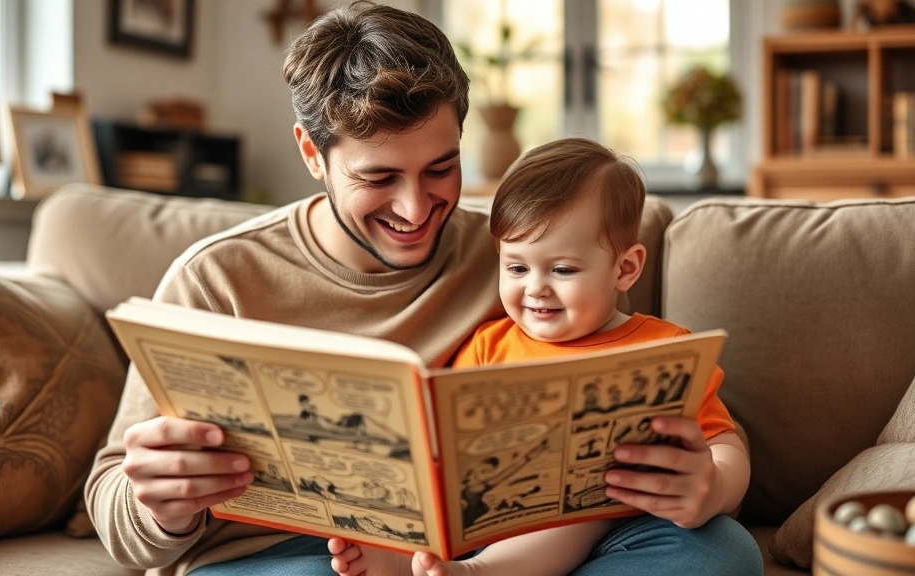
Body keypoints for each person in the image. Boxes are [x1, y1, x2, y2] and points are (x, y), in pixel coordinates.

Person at [86, 2, 760, 574]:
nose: (415, 210)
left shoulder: (514, 254)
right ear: (311, 154)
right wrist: (162, 503)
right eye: (379, 179)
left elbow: (643, 405)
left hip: (477, 552)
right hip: (283, 555)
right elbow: (115, 502)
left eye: (441, 168)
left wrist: (706, 484)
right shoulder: (218, 279)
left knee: (717, 550)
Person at [328, 138, 761, 576]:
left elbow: (723, 445)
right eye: (516, 267)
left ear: (625, 269)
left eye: (562, 269)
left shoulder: (665, 352)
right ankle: (416, 562)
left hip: (620, 537)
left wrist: (714, 487)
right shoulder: (487, 346)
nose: (535, 287)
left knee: (728, 551)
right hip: (495, 529)